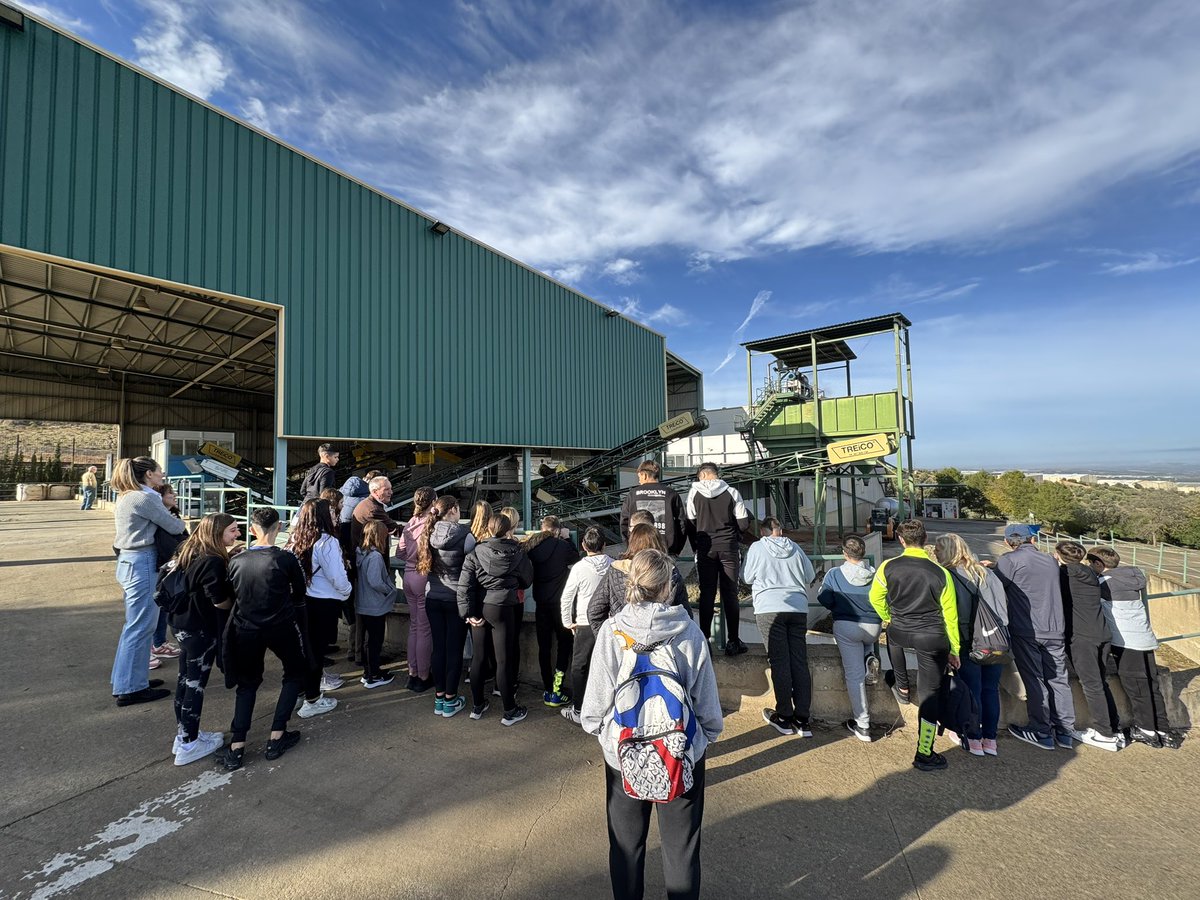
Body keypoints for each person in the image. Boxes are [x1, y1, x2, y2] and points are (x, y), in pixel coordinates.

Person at [581, 548, 724, 900]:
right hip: (679, 752)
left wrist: (609, 737)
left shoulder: (612, 631)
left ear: (631, 585)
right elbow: (708, 709)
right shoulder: (688, 632)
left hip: (624, 752)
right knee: (682, 847)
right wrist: (701, 740)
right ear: (666, 588)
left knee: (626, 846)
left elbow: (593, 710)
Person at [220, 507, 320, 770]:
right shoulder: (285, 559)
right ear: (278, 528)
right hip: (281, 625)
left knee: (247, 683)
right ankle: (277, 734)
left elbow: (229, 594)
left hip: (246, 627)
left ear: (253, 529)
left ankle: (237, 744)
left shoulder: (236, 560)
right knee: (294, 672)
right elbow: (300, 591)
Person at [868, 519, 960, 771]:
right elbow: (950, 615)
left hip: (900, 629)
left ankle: (902, 686)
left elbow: (874, 597)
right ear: (926, 539)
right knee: (931, 694)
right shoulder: (940, 573)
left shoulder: (888, 566)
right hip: (931, 635)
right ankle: (924, 751)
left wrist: (889, 616)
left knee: (894, 641)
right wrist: (954, 650)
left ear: (900, 540)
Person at [109, 456, 187, 706]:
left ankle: (128, 680)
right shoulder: (145, 497)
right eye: (159, 471)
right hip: (142, 563)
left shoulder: (127, 495)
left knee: (133, 626)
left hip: (129, 562)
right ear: (148, 475)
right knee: (141, 627)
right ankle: (131, 688)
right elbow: (174, 526)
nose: (162, 474)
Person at [1089, 547, 1183, 750]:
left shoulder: (1103, 584)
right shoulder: (1132, 577)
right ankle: (1163, 729)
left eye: (1091, 563)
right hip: (1144, 638)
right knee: (1151, 685)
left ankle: (1146, 730)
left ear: (1098, 564)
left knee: (1137, 688)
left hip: (1127, 642)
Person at [995, 523, 1076, 750]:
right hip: (1055, 628)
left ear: (1008, 542)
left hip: (1027, 629)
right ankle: (1065, 731)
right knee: (1059, 678)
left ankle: (1041, 731)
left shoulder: (1009, 561)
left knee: (1034, 678)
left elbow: (997, 584)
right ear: (1031, 540)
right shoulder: (1049, 560)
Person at [166, 512, 239, 766]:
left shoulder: (188, 550)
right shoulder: (213, 561)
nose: (237, 534)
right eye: (232, 530)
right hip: (200, 629)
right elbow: (219, 599)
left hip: (181, 624)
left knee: (185, 680)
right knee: (195, 684)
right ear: (217, 534)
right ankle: (189, 743)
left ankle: (185, 734)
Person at [933, 533, 1008, 757]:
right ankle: (990, 740)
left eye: (937, 550)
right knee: (990, 689)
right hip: (996, 640)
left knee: (971, 690)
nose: (935, 554)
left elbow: (954, 615)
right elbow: (1002, 608)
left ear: (945, 552)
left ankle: (973, 738)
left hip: (968, 642)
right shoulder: (987, 573)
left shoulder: (948, 575)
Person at [457, 513, 533, 725]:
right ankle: (509, 710)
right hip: (504, 607)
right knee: (503, 660)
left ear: (488, 529)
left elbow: (465, 586)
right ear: (509, 530)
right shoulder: (517, 551)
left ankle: (478, 706)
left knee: (479, 658)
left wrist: (469, 614)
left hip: (481, 607)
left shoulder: (475, 552)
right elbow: (527, 580)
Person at [743, 517, 816, 738]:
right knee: (799, 660)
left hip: (769, 608)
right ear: (780, 530)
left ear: (763, 531)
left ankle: (784, 716)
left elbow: (746, 577)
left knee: (779, 661)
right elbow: (810, 576)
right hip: (798, 607)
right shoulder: (795, 547)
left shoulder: (757, 547)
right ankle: (803, 719)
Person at [1055, 541, 1122, 751]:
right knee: (1099, 682)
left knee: (1091, 684)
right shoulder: (1089, 573)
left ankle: (1105, 734)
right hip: (1101, 633)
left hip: (1082, 637)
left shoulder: (1065, 575)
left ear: (1059, 555)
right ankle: (1114, 726)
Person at [285, 499, 352, 708]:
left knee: (304, 649)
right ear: (322, 516)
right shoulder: (327, 542)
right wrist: (346, 591)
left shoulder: (295, 539)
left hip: (301, 600)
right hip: (324, 602)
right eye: (331, 512)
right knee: (316, 650)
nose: (335, 515)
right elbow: (337, 576)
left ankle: (300, 691)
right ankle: (312, 700)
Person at [817, 535, 882, 743]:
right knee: (865, 644)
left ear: (844, 553)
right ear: (863, 553)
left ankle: (862, 724)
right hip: (873, 626)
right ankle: (869, 656)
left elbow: (824, 598)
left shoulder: (835, 573)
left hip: (847, 624)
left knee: (854, 676)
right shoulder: (875, 574)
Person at [685, 462, 751, 655]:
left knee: (707, 593)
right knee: (730, 593)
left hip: (706, 549)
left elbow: (690, 522)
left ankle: (705, 641)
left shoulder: (693, 493)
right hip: (729, 548)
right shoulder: (732, 492)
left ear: (702, 476)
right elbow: (744, 524)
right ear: (716, 474)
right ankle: (733, 642)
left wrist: (698, 544)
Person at [418, 496, 475, 717]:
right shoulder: (465, 535)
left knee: (438, 648)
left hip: (432, 598)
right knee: (454, 650)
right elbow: (472, 568)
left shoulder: (428, 533)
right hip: (455, 599)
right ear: (453, 510)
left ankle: (439, 697)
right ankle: (451, 699)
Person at [587, 524, 690, 633]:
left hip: (624, 642)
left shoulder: (615, 569)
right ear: (659, 544)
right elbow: (685, 615)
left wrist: (610, 639)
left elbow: (594, 611)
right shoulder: (670, 572)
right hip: (665, 641)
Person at [524, 515, 579, 708]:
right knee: (564, 644)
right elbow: (576, 558)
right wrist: (567, 538)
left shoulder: (533, 546)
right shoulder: (563, 546)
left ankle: (547, 687)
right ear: (556, 530)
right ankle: (558, 688)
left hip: (541, 604)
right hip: (560, 605)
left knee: (544, 647)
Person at [559, 526, 612, 725]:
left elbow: (567, 597)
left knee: (579, 667)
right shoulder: (613, 565)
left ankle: (579, 708)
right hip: (607, 622)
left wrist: (567, 622)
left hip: (584, 622)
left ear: (583, 545)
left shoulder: (579, 568)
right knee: (607, 666)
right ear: (604, 545)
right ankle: (607, 708)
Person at [397, 487, 436, 692]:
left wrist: (411, 561)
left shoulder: (409, 523)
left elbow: (400, 552)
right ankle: (423, 675)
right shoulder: (432, 524)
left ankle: (412, 672)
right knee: (425, 629)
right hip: (424, 576)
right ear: (434, 501)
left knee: (414, 626)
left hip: (408, 575)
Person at [356, 520, 398, 689]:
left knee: (369, 640)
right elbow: (375, 581)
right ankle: (374, 674)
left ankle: (368, 673)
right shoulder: (375, 557)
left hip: (363, 603)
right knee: (375, 640)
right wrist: (389, 589)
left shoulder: (361, 553)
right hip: (375, 605)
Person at [149, 482, 188, 665]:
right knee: (152, 609)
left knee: (162, 609)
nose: (174, 495)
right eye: (170, 493)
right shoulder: (160, 519)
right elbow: (170, 543)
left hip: (170, 566)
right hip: (162, 566)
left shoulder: (172, 515)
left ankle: (159, 643)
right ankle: (148, 648)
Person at [620, 459, 687, 555]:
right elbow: (682, 523)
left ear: (645, 475)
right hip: (666, 550)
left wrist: (630, 547)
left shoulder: (632, 495)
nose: (639, 481)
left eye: (639, 477)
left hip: (638, 550)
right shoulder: (671, 494)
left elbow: (624, 522)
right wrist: (676, 549)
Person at [351, 475, 400, 550]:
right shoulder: (374, 510)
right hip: (371, 554)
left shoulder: (368, 503)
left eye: (390, 488)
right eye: (386, 489)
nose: (391, 492)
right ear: (375, 491)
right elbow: (394, 529)